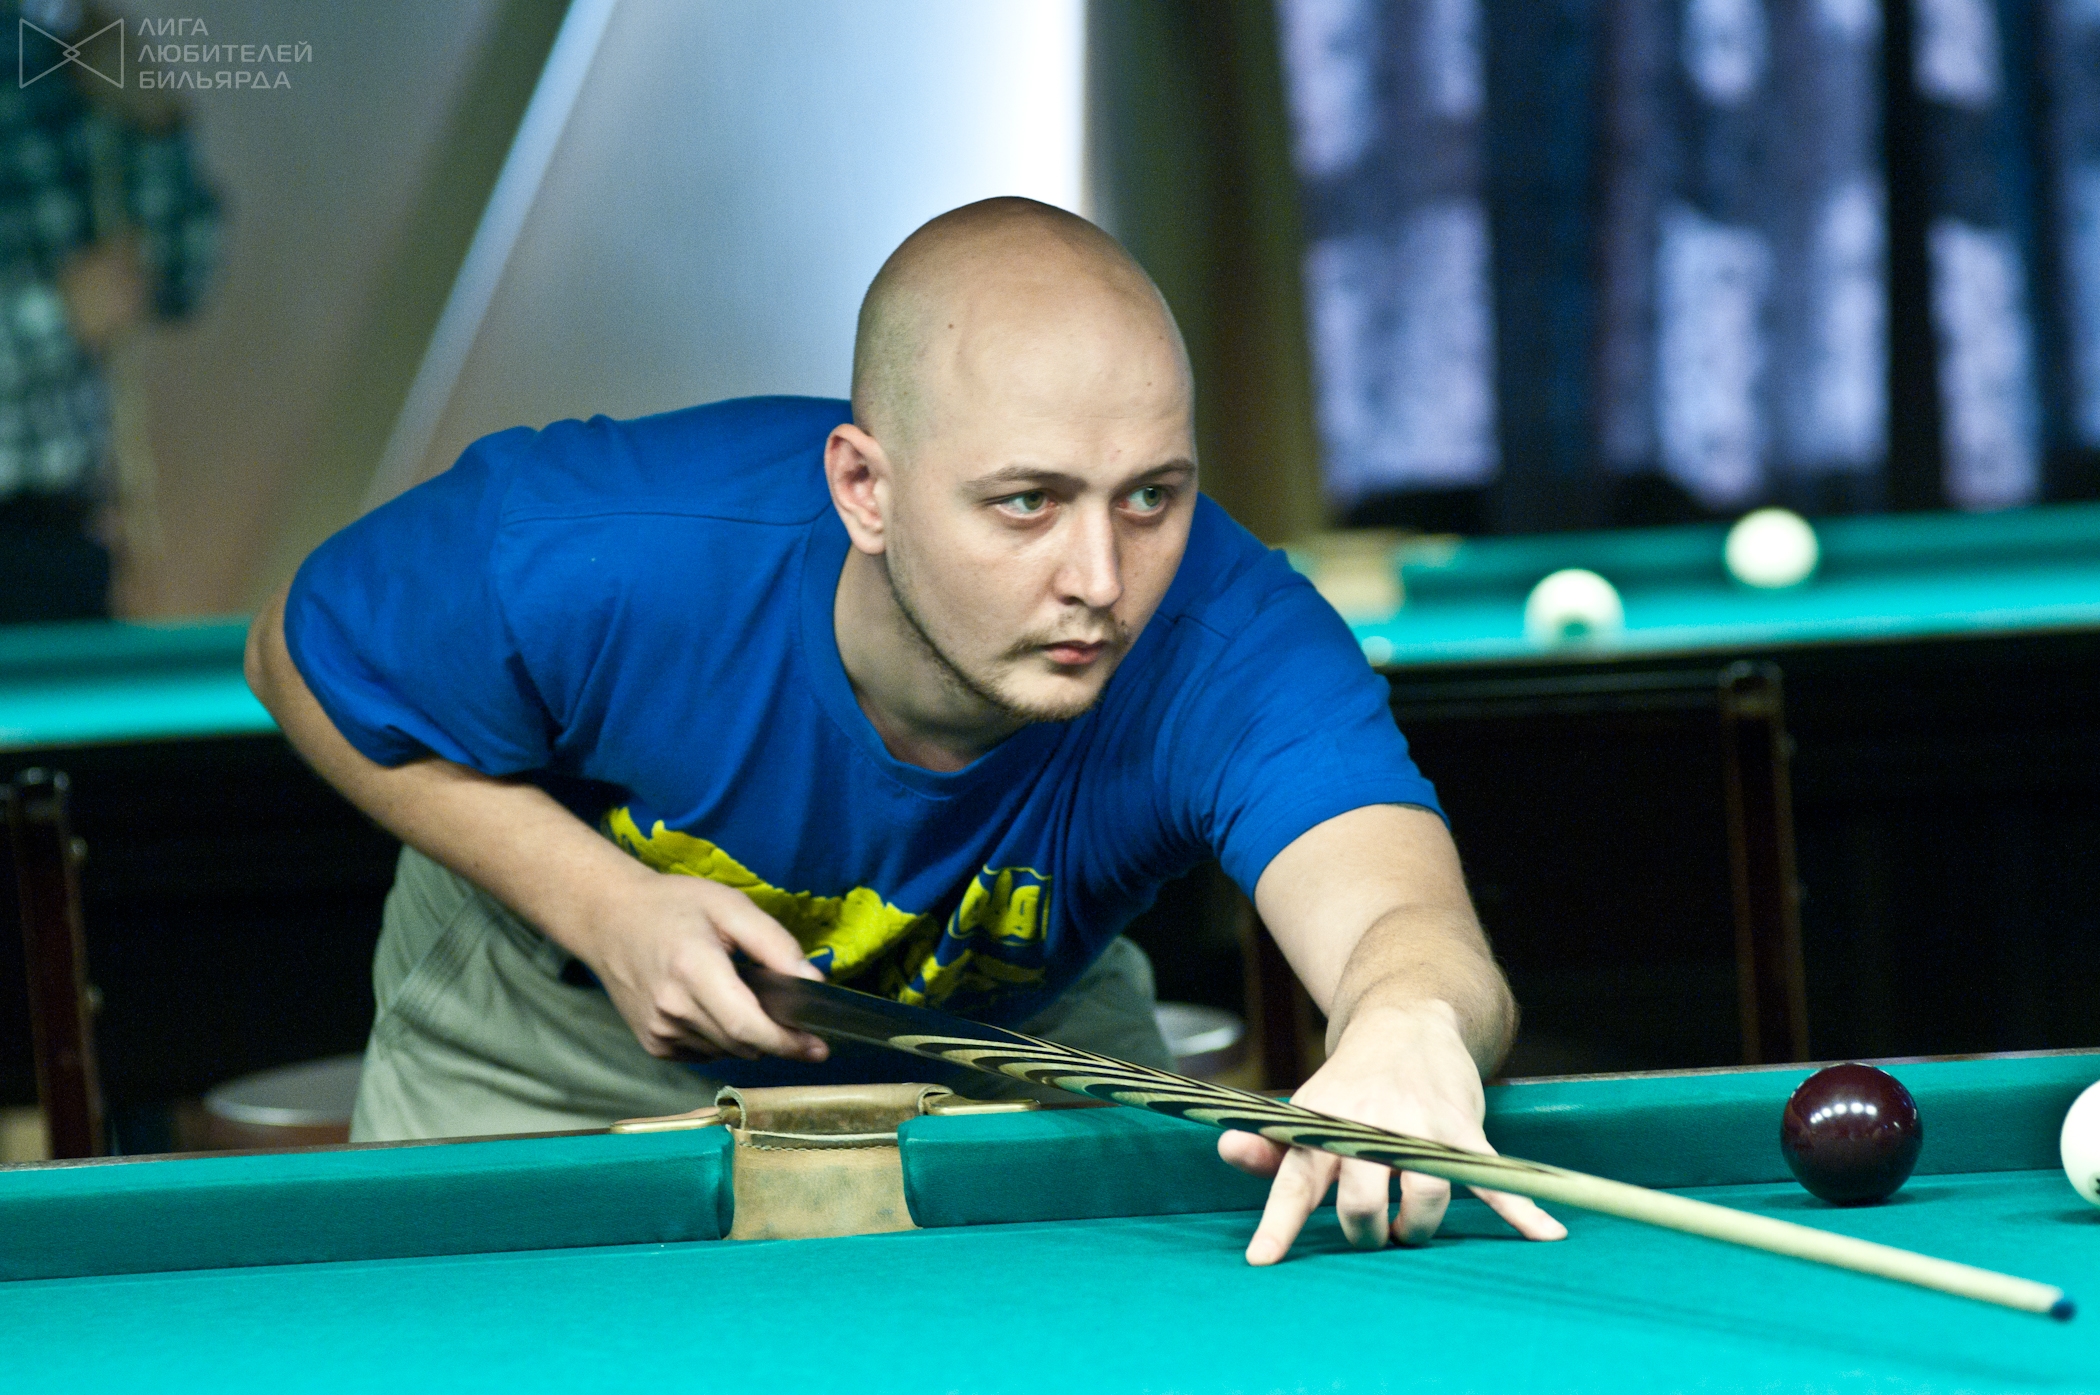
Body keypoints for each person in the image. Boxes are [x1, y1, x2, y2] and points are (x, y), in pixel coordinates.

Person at [246, 198, 1564, 1263]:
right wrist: (598, 903)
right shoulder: (605, 548)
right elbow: (292, 654)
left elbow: (1401, 914)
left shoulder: (1234, 637)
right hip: (554, 1030)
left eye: (1151, 497)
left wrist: (1408, 1023)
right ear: (864, 488)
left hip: (1013, 1041)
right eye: (1027, 502)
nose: (1101, 578)